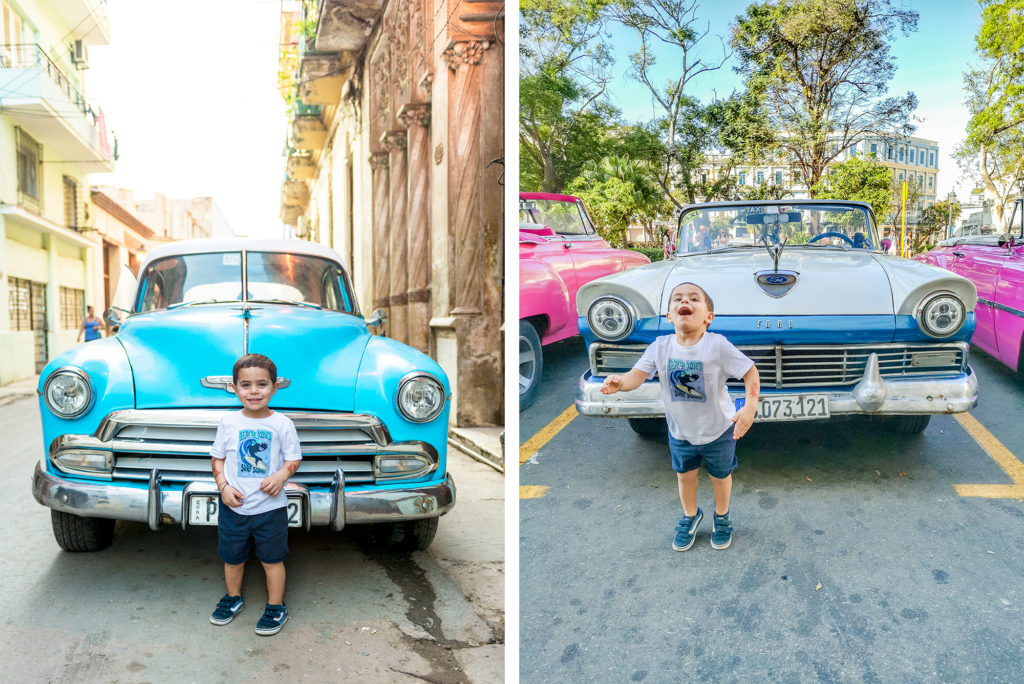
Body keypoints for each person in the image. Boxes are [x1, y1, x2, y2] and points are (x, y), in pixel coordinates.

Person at [600, 282, 760, 551]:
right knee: (685, 476)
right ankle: (690, 515)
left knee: (720, 476)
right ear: (670, 315)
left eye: (694, 298)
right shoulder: (660, 347)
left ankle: (722, 517)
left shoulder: (717, 345)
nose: (685, 301)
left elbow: (749, 371)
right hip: (680, 432)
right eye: (678, 299)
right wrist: (620, 382)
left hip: (719, 430)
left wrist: (750, 407)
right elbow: (636, 376)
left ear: (708, 317)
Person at [209, 353, 302, 635]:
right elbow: (218, 459)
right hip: (233, 507)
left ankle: (276, 606)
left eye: (261, 384)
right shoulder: (228, 423)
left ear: (274, 387)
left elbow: (294, 458)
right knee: (232, 557)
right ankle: (233, 598)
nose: (253, 392)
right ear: (235, 388)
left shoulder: (282, 424)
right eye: (245, 385)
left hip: (270, 509)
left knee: (272, 559)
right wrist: (223, 488)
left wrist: (281, 476)